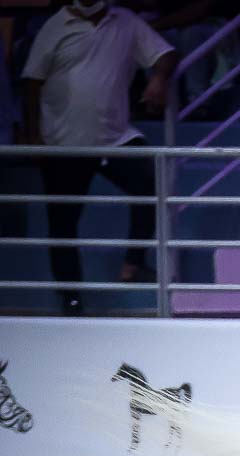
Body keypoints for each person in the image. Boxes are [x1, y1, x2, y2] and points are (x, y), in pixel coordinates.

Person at [21, 0, 179, 315]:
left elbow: (166, 54)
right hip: (64, 143)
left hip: (115, 138)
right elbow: (31, 82)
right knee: (63, 222)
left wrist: (159, 78)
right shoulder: (56, 25)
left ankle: (133, 264)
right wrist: (33, 135)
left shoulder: (125, 21)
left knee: (151, 187)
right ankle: (70, 296)